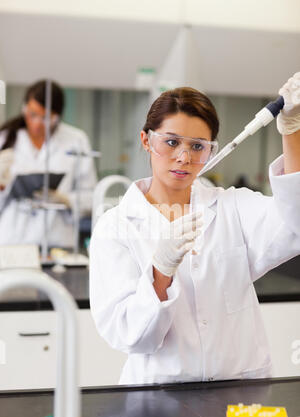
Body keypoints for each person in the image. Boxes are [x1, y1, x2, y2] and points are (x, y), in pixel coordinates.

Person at [89, 73, 300, 386]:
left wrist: (292, 132)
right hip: (159, 395)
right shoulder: (116, 227)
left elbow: (295, 222)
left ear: (211, 151)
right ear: (146, 140)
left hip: (239, 388)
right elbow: (129, 335)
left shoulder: (233, 208)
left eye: (197, 146)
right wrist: (160, 272)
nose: (184, 157)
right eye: (171, 142)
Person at [0, 79, 97, 247]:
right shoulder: (5, 138)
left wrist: (66, 199)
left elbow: (91, 197)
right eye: (32, 114)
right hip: (12, 240)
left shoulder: (76, 140)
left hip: (57, 240)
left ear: (57, 116)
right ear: (24, 108)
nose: (37, 123)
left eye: (46, 118)